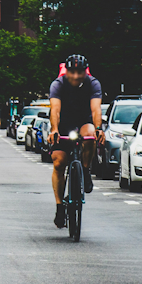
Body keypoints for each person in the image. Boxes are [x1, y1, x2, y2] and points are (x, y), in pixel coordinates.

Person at [47, 54, 105, 229]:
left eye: (79, 72)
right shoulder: (58, 84)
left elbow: (96, 110)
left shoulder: (93, 84)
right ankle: (59, 206)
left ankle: (85, 171)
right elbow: (55, 110)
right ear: (67, 71)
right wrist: (54, 129)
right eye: (72, 72)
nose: (75, 76)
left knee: (90, 135)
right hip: (62, 126)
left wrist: (98, 128)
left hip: (83, 123)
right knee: (59, 162)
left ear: (85, 72)